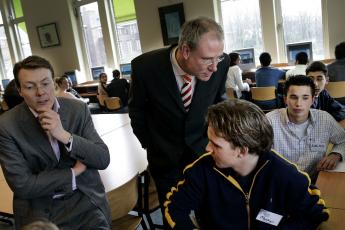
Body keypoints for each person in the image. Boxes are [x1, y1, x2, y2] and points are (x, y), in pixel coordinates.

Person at [164, 99, 329, 229]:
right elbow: (174, 207)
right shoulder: (201, 170)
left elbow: (316, 213)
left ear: (242, 151)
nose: (207, 148)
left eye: (216, 144)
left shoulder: (284, 174)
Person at [129, 17, 229, 225]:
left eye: (217, 58)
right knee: (174, 218)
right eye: (207, 59)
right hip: (165, 159)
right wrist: (151, 144)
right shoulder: (145, 67)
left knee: (211, 213)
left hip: (205, 152)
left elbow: (220, 104)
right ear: (185, 51)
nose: (214, 67)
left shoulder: (222, 62)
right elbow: (136, 112)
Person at [0, 56, 111, 229]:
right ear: (20, 90)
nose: (40, 92)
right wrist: (73, 172)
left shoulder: (77, 109)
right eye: (30, 87)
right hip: (40, 211)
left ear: (54, 83)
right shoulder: (6, 125)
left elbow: (102, 158)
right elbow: (23, 185)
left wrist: (63, 135)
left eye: (45, 83)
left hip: (85, 201)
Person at [266, 76, 345, 181]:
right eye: (294, 97)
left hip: (314, 180)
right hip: (280, 182)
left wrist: (336, 154)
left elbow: (343, 140)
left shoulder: (324, 119)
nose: (299, 104)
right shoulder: (269, 121)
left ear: (312, 100)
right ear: (285, 99)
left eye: (305, 97)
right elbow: (256, 153)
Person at [306, 61, 345, 128]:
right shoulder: (303, 97)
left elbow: (342, 109)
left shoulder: (323, 93)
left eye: (319, 79)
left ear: (326, 80)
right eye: (310, 79)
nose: (315, 84)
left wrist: (328, 117)